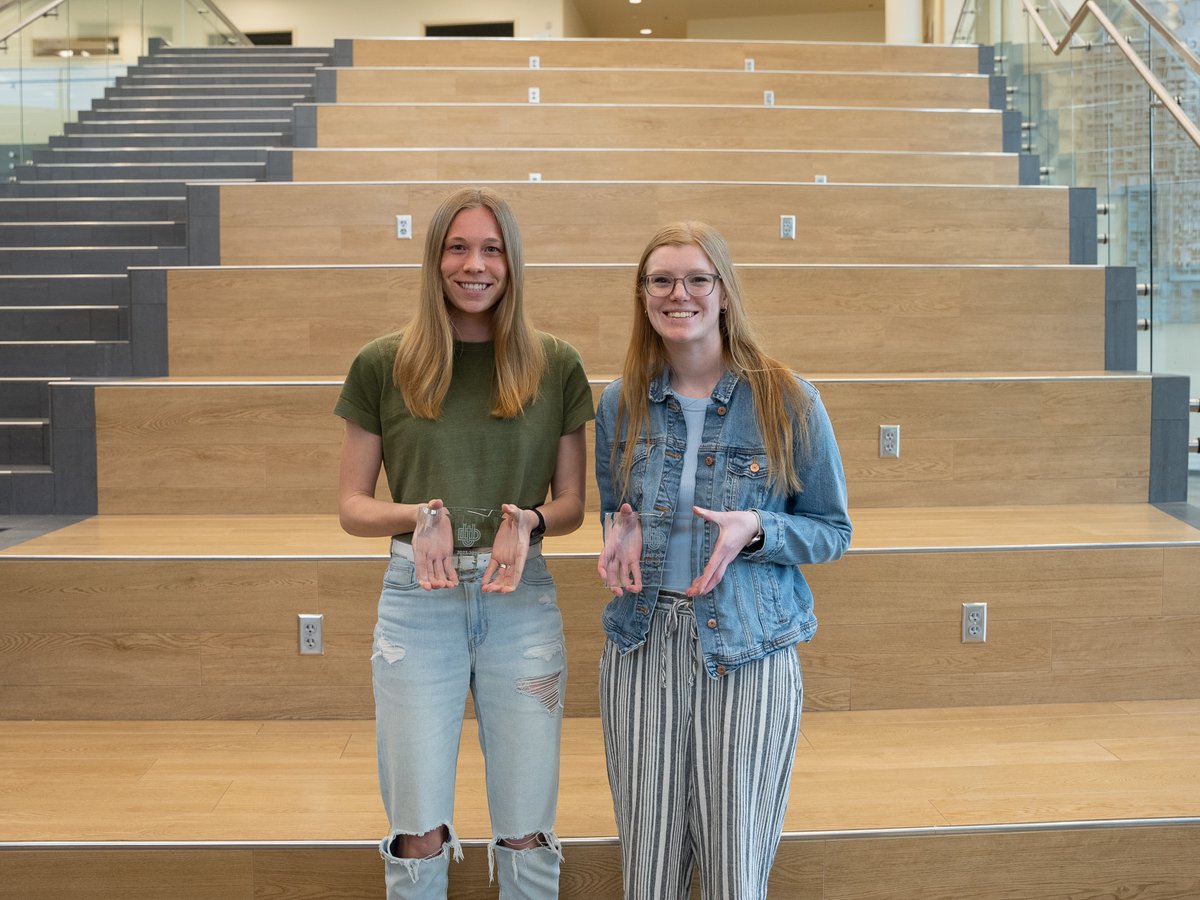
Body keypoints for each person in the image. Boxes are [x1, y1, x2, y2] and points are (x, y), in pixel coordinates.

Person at [335, 186, 593, 899]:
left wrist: (530, 521)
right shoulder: (383, 363)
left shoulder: (557, 363)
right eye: (457, 247)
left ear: (511, 262)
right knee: (417, 825)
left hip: (522, 602)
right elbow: (353, 507)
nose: (473, 264)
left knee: (526, 824)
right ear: (435, 258)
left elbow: (571, 506)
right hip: (419, 602)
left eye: (490, 248)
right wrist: (416, 515)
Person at [594, 221, 852, 899]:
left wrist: (757, 529)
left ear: (724, 292)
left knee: (734, 872)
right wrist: (615, 537)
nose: (679, 293)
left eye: (697, 278)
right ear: (644, 296)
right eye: (661, 280)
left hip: (747, 649)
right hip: (642, 645)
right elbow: (616, 512)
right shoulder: (620, 403)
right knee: (649, 873)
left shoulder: (787, 399)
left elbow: (831, 529)